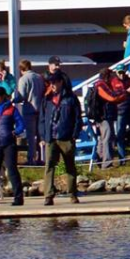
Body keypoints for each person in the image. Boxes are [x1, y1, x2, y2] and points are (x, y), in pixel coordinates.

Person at [37, 73, 82, 205]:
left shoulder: (71, 98)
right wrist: (43, 135)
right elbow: (42, 119)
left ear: (61, 82)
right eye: (51, 83)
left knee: (70, 167)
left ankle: (73, 193)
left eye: (55, 82)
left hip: (66, 137)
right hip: (51, 138)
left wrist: (74, 135)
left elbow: (77, 118)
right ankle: (48, 195)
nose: (52, 85)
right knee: (49, 166)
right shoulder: (47, 99)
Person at [14, 60, 42, 163]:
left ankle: (31, 158)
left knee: (30, 136)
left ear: (21, 69)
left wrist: (13, 100)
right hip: (40, 109)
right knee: (40, 136)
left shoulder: (23, 79)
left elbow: (22, 96)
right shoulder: (39, 77)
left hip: (29, 110)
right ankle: (41, 157)